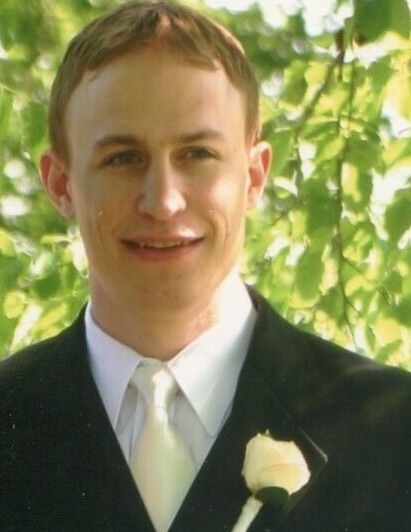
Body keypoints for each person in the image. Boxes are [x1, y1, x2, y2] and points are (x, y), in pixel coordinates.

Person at [1, 1, 411, 531]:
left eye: (197, 154)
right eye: (123, 158)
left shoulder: (394, 429)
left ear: (254, 176)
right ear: (61, 185)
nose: (163, 201)